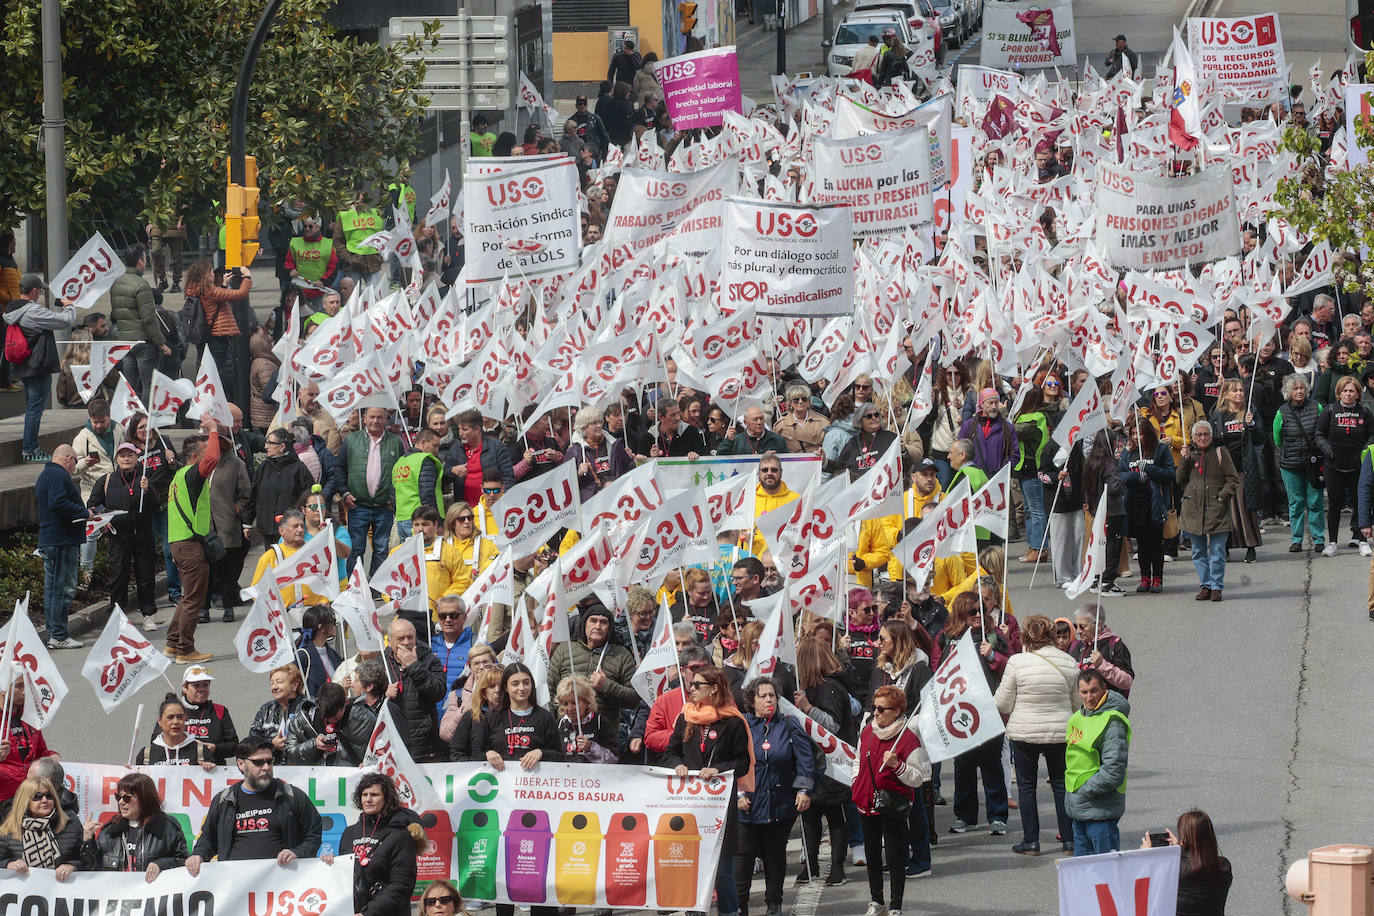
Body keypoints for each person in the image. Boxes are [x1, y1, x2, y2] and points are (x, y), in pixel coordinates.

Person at [664, 667, 753, 916]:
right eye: (691, 685)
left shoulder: (732, 721)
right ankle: (695, 911)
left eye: (697, 685)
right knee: (693, 864)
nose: (691, 689)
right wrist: (677, 765)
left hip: (719, 806)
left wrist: (718, 769)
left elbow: (742, 762)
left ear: (714, 689)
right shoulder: (686, 717)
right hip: (690, 804)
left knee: (722, 866)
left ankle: (729, 911)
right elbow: (670, 753)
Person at [993, 615, 1079, 856]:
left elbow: (1002, 703)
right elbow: (1076, 703)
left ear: (1026, 636)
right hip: (1060, 732)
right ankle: (1069, 840)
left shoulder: (1017, 662)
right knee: (1062, 785)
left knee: (1027, 787)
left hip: (1024, 732)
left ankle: (1031, 841)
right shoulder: (1068, 662)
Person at [185, 737, 323, 875]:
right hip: (234, 884)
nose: (266, 767)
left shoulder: (291, 795)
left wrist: (297, 853)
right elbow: (208, 839)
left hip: (282, 884)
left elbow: (314, 835)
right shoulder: (224, 799)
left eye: (269, 761)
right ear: (240, 764)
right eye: (258, 762)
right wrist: (198, 855)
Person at [736, 677, 814, 916]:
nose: (769, 700)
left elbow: (806, 762)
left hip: (779, 805)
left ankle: (774, 905)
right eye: (763, 696)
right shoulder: (741, 726)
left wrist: (803, 790)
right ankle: (740, 907)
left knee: (774, 855)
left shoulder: (789, 724)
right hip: (747, 806)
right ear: (751, 701)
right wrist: (739, 793)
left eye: (772, 695)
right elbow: (733, 764)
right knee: (743, 859)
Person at [852, 684, 930, 916]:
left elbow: (917, 778)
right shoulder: (867, 731)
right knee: (872, 855)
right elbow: (857, 760)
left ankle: (896, 906)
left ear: (896, 711)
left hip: (892, 804)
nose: (875, 713)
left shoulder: (908, 739)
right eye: (874, 708)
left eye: (881, 709)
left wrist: (898, 766)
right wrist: (856, 782)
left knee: (895, 858)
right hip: (865, 801)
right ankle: (877, 901)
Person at [165, 421, 222, 664]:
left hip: (179, 542)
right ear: (195, 456)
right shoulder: (191, 473)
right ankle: (185, 650)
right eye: (204, 450)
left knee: (188, 596)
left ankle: (172, 642)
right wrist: (213, 430)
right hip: (190, 544)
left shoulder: (178, 476)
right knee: (194, 599)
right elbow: (212, 459)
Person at [329, 772, 424, 916]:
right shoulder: (349, 833)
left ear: (386, 798)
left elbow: (402, 885)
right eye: (364, 794)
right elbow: (344, 879)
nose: (368, 799)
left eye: (374, 795)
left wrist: (368, 913)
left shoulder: (400, 834)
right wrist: (331, 865)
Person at [5, 273, 77, 461]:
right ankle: (30, 450)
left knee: (31, 409)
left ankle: (29, 448)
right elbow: (64, 321)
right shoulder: (32, 311)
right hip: (37, 366)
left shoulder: (12, 309)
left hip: (23, 365)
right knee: (35, 410)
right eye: (41, 290)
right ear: (35, 292)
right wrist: (69, 306)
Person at [1065, 667, 1131, 856]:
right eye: (1084, 692)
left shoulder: (1113, 721)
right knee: (1084, 876)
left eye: (1094, 691)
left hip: (1099, 810)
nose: (1089, 697)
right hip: (1080, 810)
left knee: (1106, 875)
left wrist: (1084, 791)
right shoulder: (1077, 717)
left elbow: (1113, 771)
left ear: (1104, 689)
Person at [35, 445, 92, 649]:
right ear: (69, 459)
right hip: (62, 540)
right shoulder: (59, 475)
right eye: (75, 462)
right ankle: (58, 635)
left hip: (52, 539)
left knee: (52, 590)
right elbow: (58, 502)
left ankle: (54, 634)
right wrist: (84, 513)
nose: (74, 467)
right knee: (62, 589)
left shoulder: (46, 474)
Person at [82, 772, 188, 880]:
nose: (121, 802)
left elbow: (185, 861)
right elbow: (92, 871)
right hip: (117, 894)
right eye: (118, 797)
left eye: (127, 798)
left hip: (152, 894)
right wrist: (88, 841)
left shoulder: (167, 827)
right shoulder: (110, 831)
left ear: (144, 799)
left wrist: (161, 865)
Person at [1178, 420, 1241, 601]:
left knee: (1217, 551)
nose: (1203, 438)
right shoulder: (1189, 454)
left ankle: (1216, 586)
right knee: (1198, 551)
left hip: (1216, 509)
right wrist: (1184, 460)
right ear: (1193, 437)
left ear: (1211, 436)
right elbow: (1179, 479)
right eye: (1199, 435)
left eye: (1206, 434)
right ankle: (1205, 584)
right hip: (1193, 510)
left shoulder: (1220, 453)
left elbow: (1233, 479)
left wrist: (1222, 497)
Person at [547, 604, 639, 724]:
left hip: (604, 734)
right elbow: (549, 690)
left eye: (603, 622)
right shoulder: (564, 650)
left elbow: (634, 698)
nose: (598, 626)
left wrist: (606, 686)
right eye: (593, 621)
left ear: (609, 628)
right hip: (566, 731)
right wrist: (553, 725)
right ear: (584, 623)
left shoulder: (622, 655)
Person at [341, 407, 405, 575]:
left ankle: (377, 587)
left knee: (381, 549)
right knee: (355, 549)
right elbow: (339, 468)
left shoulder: (396, 442)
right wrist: (344, 493)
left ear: (386, 419)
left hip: (384, 506)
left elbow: (402, 472)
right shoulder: (351, 440)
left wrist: (394, 498)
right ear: (364, 418)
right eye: (372, 417)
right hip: (358, 506)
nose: (375, 420)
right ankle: (354, 586)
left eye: (379, 417)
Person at [1316, 375, 1374, 555]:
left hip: (1358, 465)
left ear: (1358, 394)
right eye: (1345, 391)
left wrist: (1365, 454)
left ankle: (1361, 539)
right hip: (1334, 464)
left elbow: (1372, 436)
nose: (1348, 394)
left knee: (1360, 502)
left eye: (1352, 391)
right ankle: (1332, 541)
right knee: (1335, 503)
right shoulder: (1329, 410)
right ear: (1339, 393)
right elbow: (1319, 434)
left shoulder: (1364, 412)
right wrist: (1330, 452)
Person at [1118, 419, 1175, 594]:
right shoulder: (1128, 453)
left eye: (1139, 433)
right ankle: (1144, 578)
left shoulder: (1160, 450)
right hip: (1135, 504)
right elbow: (1120, 475)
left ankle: (1157, 578)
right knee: (1141, 544)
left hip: (1155, 503)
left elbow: (1170, 473)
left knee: (1156, 543)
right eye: (1133, 433)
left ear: (1147, 433)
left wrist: (1151, 470)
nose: (1136, 437)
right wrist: (1136, 477)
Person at [1209, 378, 1263, 563]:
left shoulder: (1249, 412)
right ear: (1226, 395)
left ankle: (1251, 547)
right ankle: (1225, 548)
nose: (1239, 393)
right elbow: (1211, 441)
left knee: (1245, 508)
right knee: (1225, 510)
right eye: (1235, 391)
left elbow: (1260, 439)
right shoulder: (1217, 415)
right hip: (1223, 470)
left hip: (1244, 468)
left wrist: (1253, 425)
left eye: (1241, 390)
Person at [1142, 809, 1233, 915]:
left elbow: (1145, 887)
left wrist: (1145, 856)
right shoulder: (1223, 867)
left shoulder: (1174, 868)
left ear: (1184, 838)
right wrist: (1180, 849)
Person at [381, 617, 447, 762]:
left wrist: (414, 666)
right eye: (400, 639)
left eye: (410, 637)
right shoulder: (381, 664)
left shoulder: (430, 660)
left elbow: (438, 692)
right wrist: (383, 695)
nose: (406, 642)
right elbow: (369, 700)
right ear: (390, 641)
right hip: (393, 746)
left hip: (425, 746)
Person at [110, 245, 169, 404]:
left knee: (130, 386)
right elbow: (149, 318)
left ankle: (131, 422)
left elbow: (116, 313)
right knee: (149, 386)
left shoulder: (116, 283)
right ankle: (146, 423)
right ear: (140, 261)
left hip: (125, 342)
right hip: (143, 343)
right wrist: (161, 342)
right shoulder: (141, 285)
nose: (146, 261)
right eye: (144, 258)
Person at [1273, 375, 1326, 552]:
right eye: (1295, 388)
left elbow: (1322, 431)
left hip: (1313, 462)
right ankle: (1296, 539)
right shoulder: (1281, 412)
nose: (1299, 391)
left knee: (1315, 502)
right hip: (1291, 464)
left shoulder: (1316, 406)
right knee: (1295, 503)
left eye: (1302, 388)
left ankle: (1319, 539)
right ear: (1288, 392)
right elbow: (1277, 438)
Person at [0, 777, 83, 879]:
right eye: (37, 796)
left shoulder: (70, 825)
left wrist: (72, 866)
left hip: (62, 891)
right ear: (24, 801)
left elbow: (88, 862)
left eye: (49, 795)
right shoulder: (8, 831)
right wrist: (8, 864)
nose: (44, 800)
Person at [250, 427, 316, 544]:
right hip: (267, 529)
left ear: (282, 447)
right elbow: (254, 495)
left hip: (291, 531)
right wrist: (247, 521)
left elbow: (310, 497)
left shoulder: (299, 468)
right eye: (266, 443)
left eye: (270, 443)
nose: (266, 447)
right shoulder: (264, 467)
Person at [162, 665, 239, 765]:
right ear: (185, 688)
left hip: (214, 769)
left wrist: (215, 748)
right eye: (196, 685)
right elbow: (157, 742)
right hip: (181, 771)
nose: (202, 689)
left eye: (205, 685)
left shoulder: (220, 710)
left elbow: (234, 746)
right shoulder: (172, 711)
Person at [284, 682, 370, 766]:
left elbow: (368, 754)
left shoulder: (361, 717)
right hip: (315, 777)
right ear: (319, 706)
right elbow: (289, 757)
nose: (332, 721)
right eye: (327, 718)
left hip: (346, 776)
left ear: (346, 702)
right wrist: (314, 745)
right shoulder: (303, 719)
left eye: (336, 718)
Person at [248, 666, 315, 763]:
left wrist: (291, 744)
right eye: (272, 683)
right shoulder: (265, 710)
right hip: (271, 770)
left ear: (294, 685)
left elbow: (317, 739)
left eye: (279, 682)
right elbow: (251, 741)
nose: (274, 687)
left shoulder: (309, 707)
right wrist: (271, 743)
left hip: (305, 770)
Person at [135, 695, 216, 768]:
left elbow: (214, 781)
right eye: (170, 717)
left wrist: (210, 768)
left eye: (180, 717)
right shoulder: (146, 754)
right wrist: (126, 771)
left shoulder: (200, 750)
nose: (175, 722)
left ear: (185, 719)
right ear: (159, 721)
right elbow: (138, 783)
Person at [1070, 606, 1134, 696]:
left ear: (1098, 625)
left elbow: (1127, 682)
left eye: (1082, 626)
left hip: (1109, 705)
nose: (1078, 631)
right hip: (1082, 706)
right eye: (1076, 626)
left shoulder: (1114, 644)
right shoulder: (1077, 646)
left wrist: (1102, 665)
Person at [554, 675, 619, 763]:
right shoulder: (559, 725)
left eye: (574, 703)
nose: (570, 708)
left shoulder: (600, 723)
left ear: (586, 701)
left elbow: (614, 759)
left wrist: (591, 748)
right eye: (565, 704)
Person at [295, 605, 343, 698]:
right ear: (321, 627)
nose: (335, 625)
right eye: (332, 622)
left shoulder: (333, 654)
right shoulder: (302, 656)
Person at [721, 405, 789, 456]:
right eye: (755, 419)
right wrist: (727, 441)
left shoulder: (777, 439)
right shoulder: (737, 440)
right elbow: (721, 458)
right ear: (745, 423)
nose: (759, 422)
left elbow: (787, 463)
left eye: (761, 418)